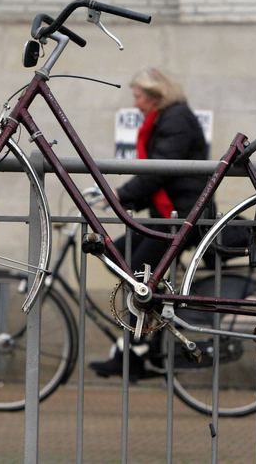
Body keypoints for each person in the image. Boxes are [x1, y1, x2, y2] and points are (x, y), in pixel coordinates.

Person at [89, 68, 210, 381]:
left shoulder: (176, 120)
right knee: (119, 257)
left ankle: (139, 349)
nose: (136, 103)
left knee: (137, 274)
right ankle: (136, 345)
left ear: (156, 96)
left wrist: (121, 196)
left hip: (181, 218)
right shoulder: (164, 119)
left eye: (139, 96)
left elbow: (160, 171)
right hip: (165, 215)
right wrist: (125, 199)